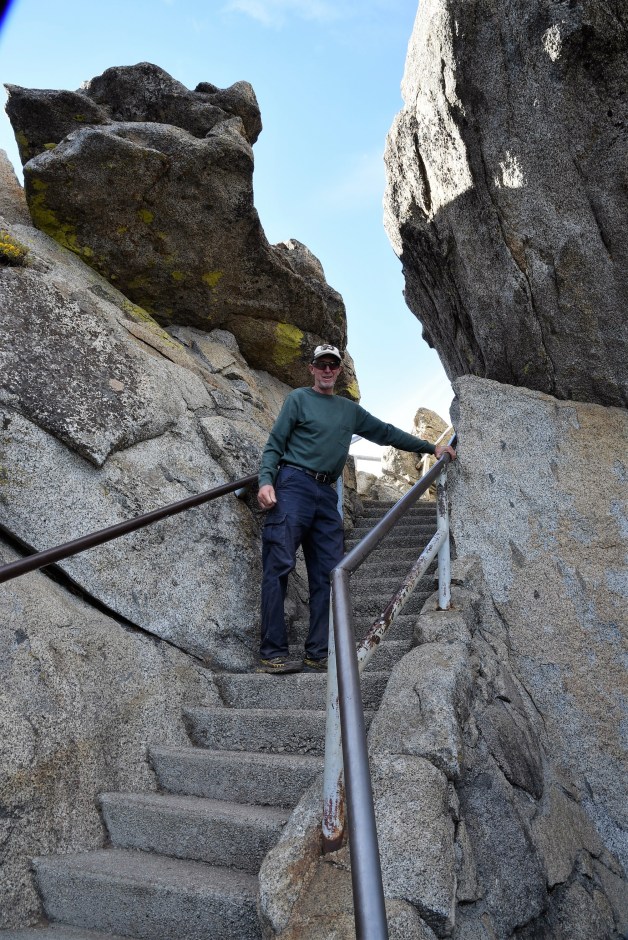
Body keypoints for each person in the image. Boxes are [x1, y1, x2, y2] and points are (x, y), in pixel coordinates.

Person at [256, 343, 456, 674]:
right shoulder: (298, 400)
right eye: (321, 364)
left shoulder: (348, 411)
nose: (327, 369)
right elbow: (274, 445)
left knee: (331, 575)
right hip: (293, 484)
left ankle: (317, 652)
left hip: (325, 494)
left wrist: (431, 447)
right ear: (312, 368)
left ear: (339, 371)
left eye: (333, 365)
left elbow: (386, 433)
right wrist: (266, 481)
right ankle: (272, 652)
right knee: (278, 565)